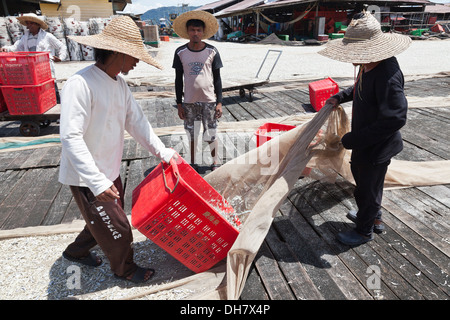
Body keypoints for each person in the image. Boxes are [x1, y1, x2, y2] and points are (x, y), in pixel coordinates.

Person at [58, 16, 177, 283]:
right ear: (118, 52)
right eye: (134, 57)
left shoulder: (119, 84)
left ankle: (75, 252)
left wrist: (162, 152)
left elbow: (136, 121)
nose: (136, 62)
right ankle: (124, 269)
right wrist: (96, 182)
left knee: (101, 219)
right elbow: (70, 137)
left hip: (109, 169)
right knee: (119, 227)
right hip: (87, 176)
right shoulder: (80, 84)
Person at [318, 12, 411, 246]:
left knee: (367, 191)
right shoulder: (368, 65)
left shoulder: (387, 75)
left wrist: (354, 139)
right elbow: (358, 87)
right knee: (365, 185)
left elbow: (396, 118)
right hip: (364, 142)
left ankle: (364, 231)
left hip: (376, 146)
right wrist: (339, 96)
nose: (352, 58)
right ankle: (373, 218)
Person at [172, 11, 223, 172]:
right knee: (192, 134)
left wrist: (220, 102)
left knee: (211, 133)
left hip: (209, 101)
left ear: (203, 32)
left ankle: (215, 162)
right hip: (189, 102)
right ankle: (193, 162)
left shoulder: (212, 51)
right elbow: (178, 80)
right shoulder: (180, 52)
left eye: (198, 30)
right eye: (192, 30)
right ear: (188, 32)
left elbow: (217, 79)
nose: (195, 33)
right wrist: (179, 104)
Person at [1, 13, 68, 103]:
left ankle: (58, 110)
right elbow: (16, 47)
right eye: (28, 23)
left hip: (45, 68)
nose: (29, 26)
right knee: (38, 92)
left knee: (52, 90)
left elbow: (61, 46)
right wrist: (5, 49)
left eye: (31, 23)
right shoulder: (25, 37)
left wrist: (61, 57)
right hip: (31, 69)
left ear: (37, 24)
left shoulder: (47, 36)